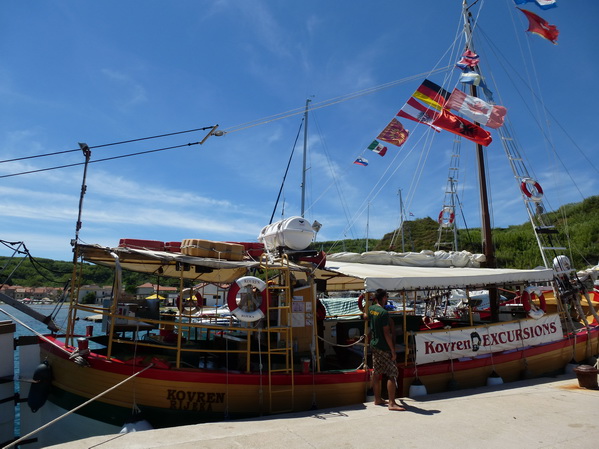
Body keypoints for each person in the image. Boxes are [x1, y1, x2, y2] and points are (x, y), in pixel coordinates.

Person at [364, 288, 404, 411]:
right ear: (383, 298)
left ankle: (377, 399)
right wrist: (393, 350)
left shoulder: (372, 309)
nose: (387, 299)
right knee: (392, 373)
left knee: (377, 372)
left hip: (374, 345)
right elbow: (387, 334)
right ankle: (391, 403)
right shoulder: (383, 313)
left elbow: (365, 316)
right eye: (386, 297)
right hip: (383, 347)